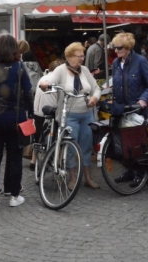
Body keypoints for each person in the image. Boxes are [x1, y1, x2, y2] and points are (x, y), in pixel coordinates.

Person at [39, 42, 102, 189]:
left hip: (87, 115)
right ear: (69, 57)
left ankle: (88, 177)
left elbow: (96, 89)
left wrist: (95, 98)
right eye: (79, 56)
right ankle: (73, 178)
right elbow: (49, 79)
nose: (82, 58)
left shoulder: (85, 70)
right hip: (69, 115)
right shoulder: (60, 70)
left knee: (86, 147)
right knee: (70, 147)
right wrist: (45, 83)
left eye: (83, 55)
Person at [0, 34, 33, 209]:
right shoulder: (20, 67)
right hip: (16, 118)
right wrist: (31, 112)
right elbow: (28, 92)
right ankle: (14, 196)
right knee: (15, 157)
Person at [110, 32, 148, 186]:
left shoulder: (140, 61)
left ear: (128, 47)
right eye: (114, 48)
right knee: (123, 143)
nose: (116, 51)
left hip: (136, 108)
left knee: (136, 142)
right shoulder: (116, 63)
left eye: (119, 48)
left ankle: (140, 172)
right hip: (121, 108)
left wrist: (143, 99)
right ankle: (128, 170)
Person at [31, 60, 63, 170]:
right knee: (58, 136)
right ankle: (57, 160)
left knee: (38, 137)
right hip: (50, 111)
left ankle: (33, 160)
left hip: (37, 111)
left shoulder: (42, 78)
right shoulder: (58, 80)